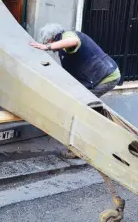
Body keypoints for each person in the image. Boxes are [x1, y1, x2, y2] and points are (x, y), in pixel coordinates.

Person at [30, 23, 121, 159]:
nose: (51, 48)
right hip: (101, 76)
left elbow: (74, 41)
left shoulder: (68, 36)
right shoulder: (64, 49)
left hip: (104, 77)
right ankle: (109, 133)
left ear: (52, 39)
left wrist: (46, 47)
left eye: (48, 42)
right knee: (88, 107)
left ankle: (80, 149)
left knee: (78, 110)